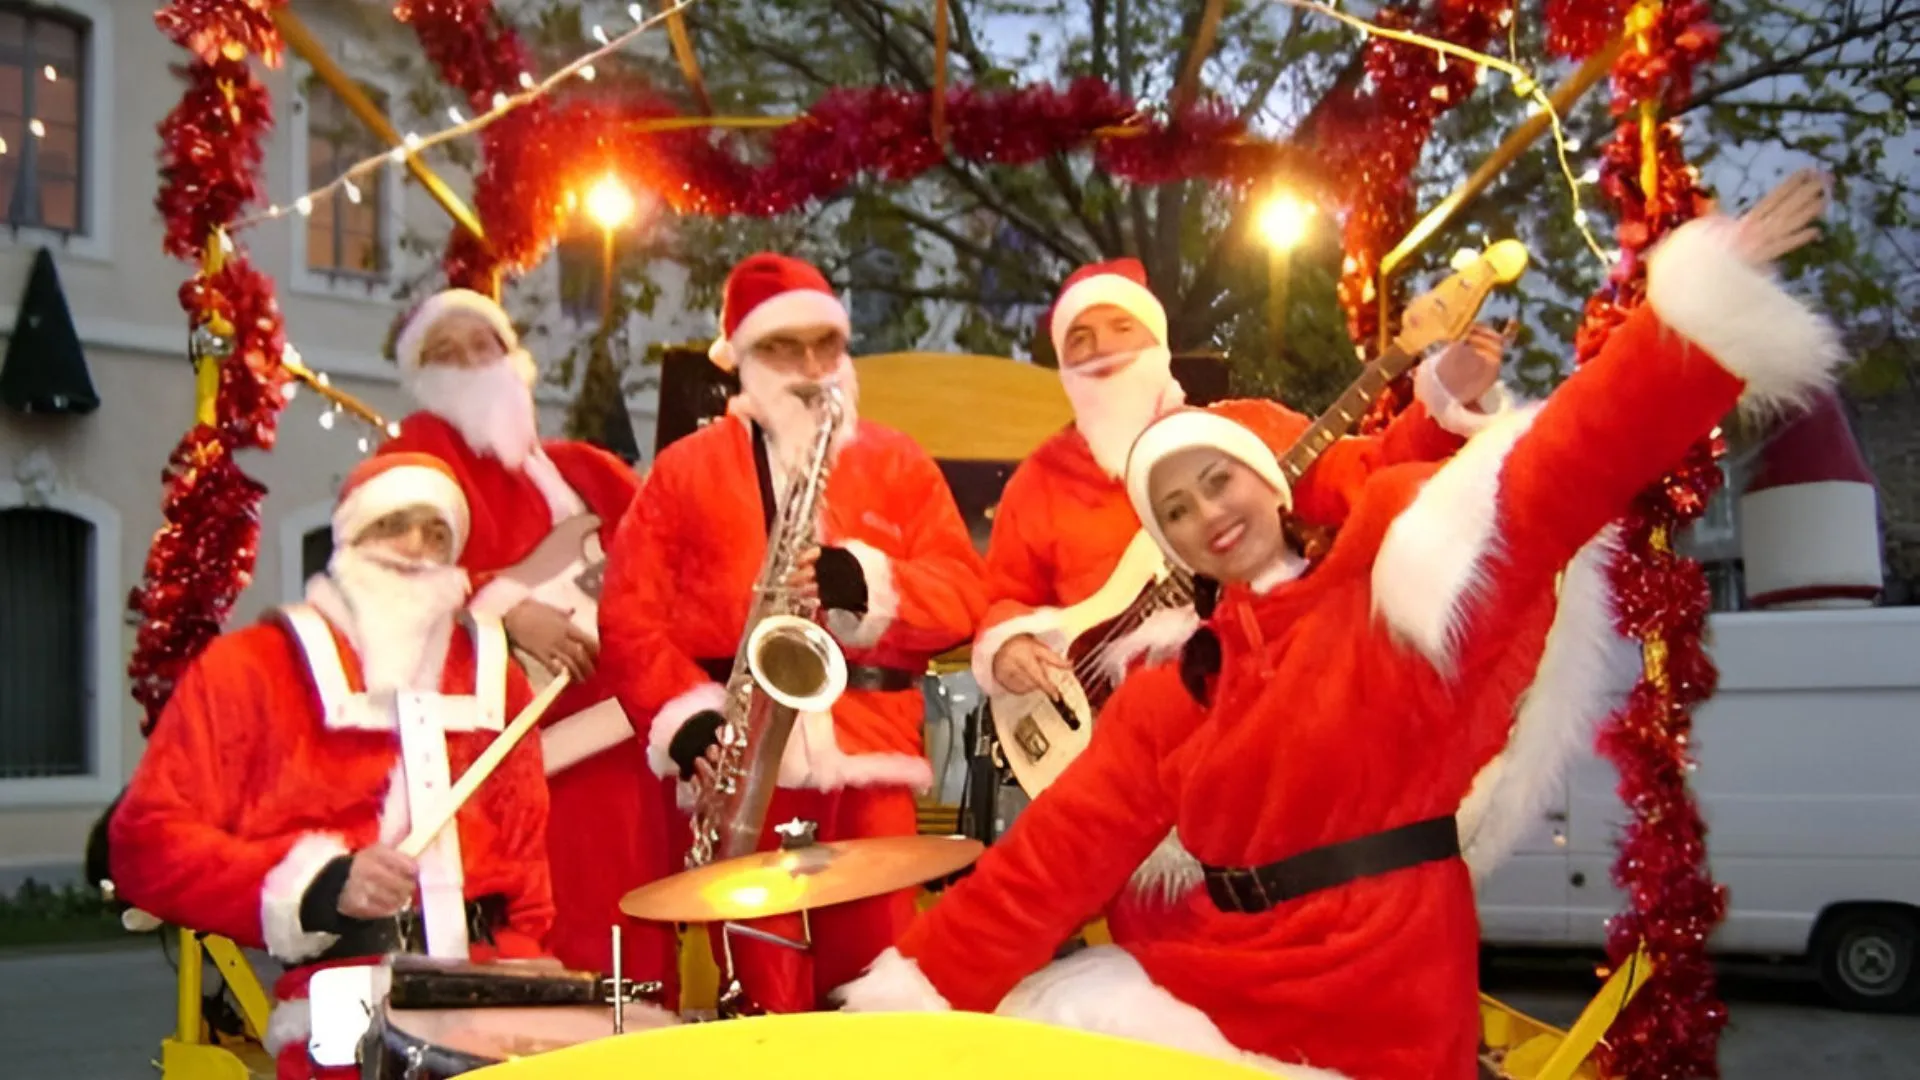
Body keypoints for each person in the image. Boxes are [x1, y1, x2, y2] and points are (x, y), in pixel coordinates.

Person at [837, 174, 1840, 1078]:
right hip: (1192, 1001)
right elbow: (1051, 858)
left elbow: (1552, 476)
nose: (1206, 515)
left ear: (1270, 482)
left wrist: (1690, 324)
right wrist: (902, 1003)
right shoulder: (1176, 691)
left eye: (1217, 481)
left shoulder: (1392, 587)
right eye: (1175, 511)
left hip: (1378, 1012)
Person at [969, 256, 1509, 940]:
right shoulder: (1039, 481)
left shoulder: (1248, 429)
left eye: (1120, 327)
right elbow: (1002, 596)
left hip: (1256, 754)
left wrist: (1443, 400)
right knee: (1149, 966)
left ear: (1158, 342)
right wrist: (1010, 643)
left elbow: (1366, 472)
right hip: (1111, 777)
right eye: (1081, 340)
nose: (1102, 348)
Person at [599, 253, 989, 1013]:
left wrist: (869, 584)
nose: (812, 368)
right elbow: (628, 615)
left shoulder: (899, 462)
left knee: (881, 990)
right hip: (743, 759)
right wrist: (684, 720)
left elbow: (965, 597)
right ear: (740, 359)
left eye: (826, 347)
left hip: (873, 756)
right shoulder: (685, 470)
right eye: (784, 349)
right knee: (761, 999)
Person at [109, 454, 556, 1080]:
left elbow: (525, 858)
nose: (415, 547)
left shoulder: (493, 680)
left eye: (437, 533)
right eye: (393, 524)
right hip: (341, 1008)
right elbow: (145, 845)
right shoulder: (256, 666)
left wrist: (525, 956)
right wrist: (318, 884)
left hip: (487, 1001)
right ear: (350, 537)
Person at [379, 289, 674, 994]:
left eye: (483, 346)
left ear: (515, 360)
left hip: (621, 752)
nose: (468, 363)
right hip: (514, 763)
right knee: (553, 952)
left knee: (637, 942)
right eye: (444, 353)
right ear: (419, 376)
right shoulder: (416, 455)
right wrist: (501, 610)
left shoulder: (584, 470)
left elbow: (671, 555)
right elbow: (383, 573)